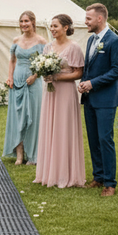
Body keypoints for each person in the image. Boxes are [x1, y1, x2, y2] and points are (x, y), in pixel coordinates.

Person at [78, 3, 118, 197]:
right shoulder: (91, 40)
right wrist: (84, 83)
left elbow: (117, 70)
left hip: (106, 98)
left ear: (100, 18)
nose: (85, 22)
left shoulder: (115, 41)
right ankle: (98, 177)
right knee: (93, 139)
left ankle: (110, 183)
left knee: (105, 139)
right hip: (90, 97)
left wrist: (93, 83)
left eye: (88, 18)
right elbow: (89, 67)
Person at [34, 14, 86, 188]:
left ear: (65, 27)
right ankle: (49, 172)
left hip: (65, 93)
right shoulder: (48, 47)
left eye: (55, 26)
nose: (52, 29)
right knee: (50, 127)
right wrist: (46, 74)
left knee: (64, 128)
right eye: (51, 26)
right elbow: (42, 68)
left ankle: (66, 173)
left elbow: (79, 73)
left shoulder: (74, 47)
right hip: (50, 93)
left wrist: (58, 77)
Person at [3, 11, 47, 165]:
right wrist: (10, 77)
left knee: (33, 118)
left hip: (33, 83)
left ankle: (33, 154)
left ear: (33, 22)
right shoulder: (16, 40)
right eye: (21, 21)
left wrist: (35, 76)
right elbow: (12, 60)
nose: (24, 24)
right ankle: (19, 154)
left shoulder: (41, 41)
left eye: (26, 21)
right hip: (17, 81)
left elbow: (44, 63)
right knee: (17, 118)